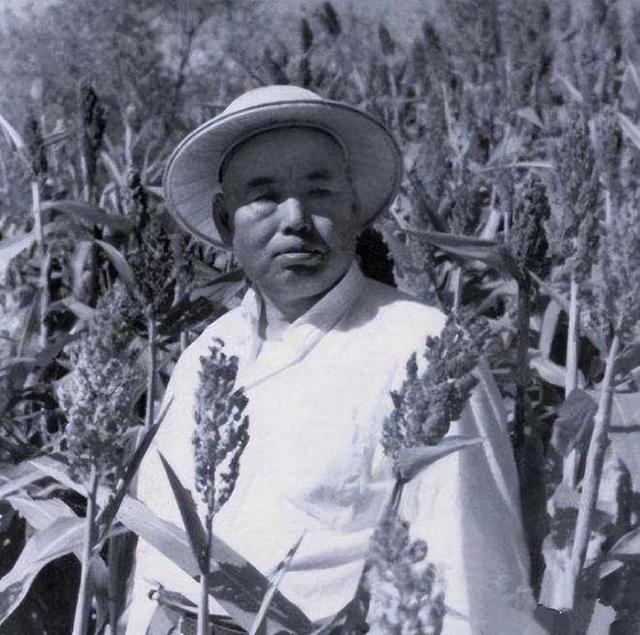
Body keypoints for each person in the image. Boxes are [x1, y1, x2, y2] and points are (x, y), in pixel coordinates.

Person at [127, 85, 538, 634]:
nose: (295, 218)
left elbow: (471, 580)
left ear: (354, 207)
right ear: (227, 221)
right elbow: (154, 550)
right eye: (265, 196)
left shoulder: (421, 349)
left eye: (318, 191)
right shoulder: (205, 355)